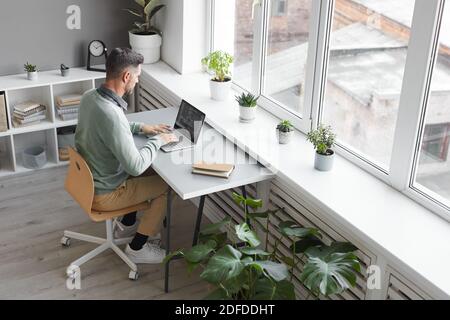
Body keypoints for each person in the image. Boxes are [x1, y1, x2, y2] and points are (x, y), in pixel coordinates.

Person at [75, 47, 178, 264]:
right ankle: (137, 248)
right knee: (168, 187)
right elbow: (136, 167)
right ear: (126, 76)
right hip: (105, 193)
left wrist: (142, 127)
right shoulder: (112, 114)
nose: (137, 82)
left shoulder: (89, 97)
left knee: (152, 170)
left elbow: (109, 126)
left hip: (89, 181)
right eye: (137, 77)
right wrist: (158, 140)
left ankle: (128, 223)